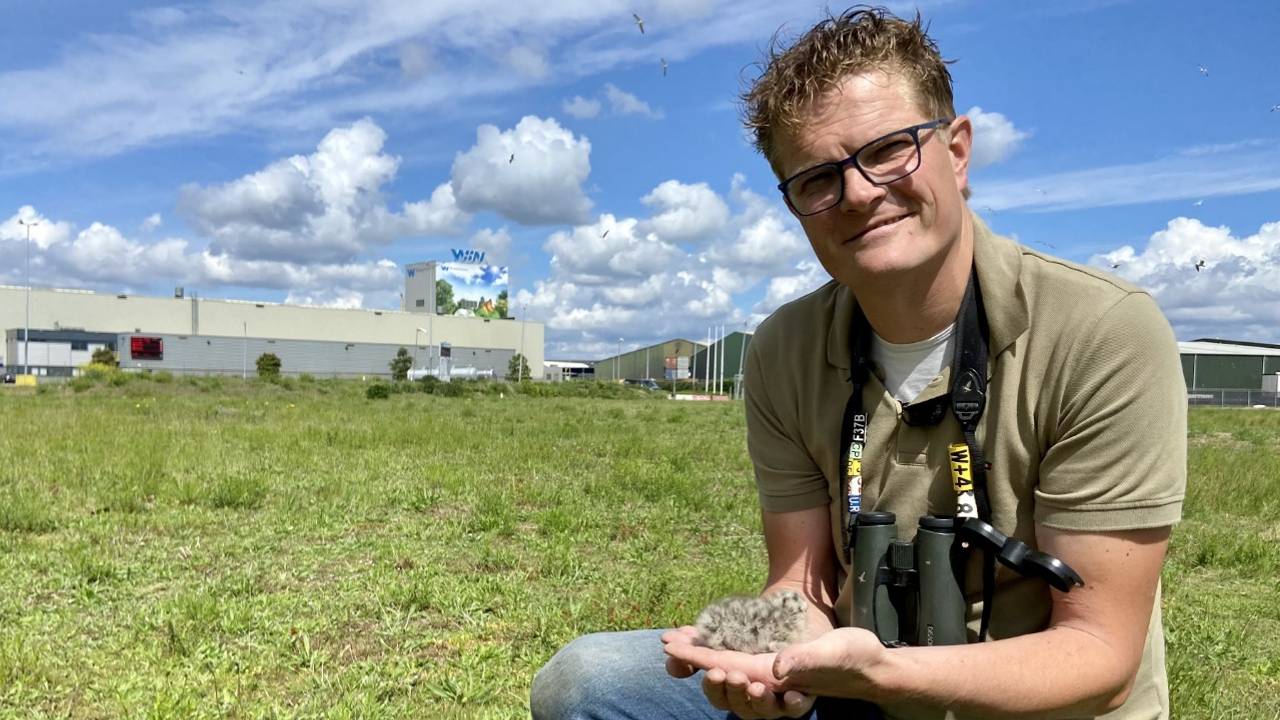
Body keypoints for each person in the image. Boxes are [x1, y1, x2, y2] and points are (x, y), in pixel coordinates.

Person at [531, 7, 1186, 720]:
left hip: (1039, 707)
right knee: (586, 681)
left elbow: (1098, 653)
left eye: (889, 149)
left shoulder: (1101, 331)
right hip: (855, 687)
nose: (859, 193)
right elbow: (801, 587)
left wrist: (889, 675)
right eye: (817, 179)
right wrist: (777, 666)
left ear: (958, 152)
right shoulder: (784, 348)